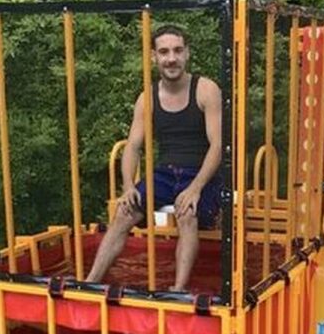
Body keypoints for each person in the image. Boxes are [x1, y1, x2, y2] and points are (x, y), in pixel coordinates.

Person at [85, 24, 222, 291]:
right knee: (123, 212)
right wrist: (128, 187)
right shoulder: (147, 98)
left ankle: (178, 289)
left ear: (187, 53)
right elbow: (133, 146)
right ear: (154, 57)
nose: (171, 58)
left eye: (177, 51)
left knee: (187, 213)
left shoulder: (206, 90)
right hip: (166, 174)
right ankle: (90, 282)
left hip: (200, 173)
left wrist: (195, 189)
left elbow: (217, 145)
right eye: (164, 52)